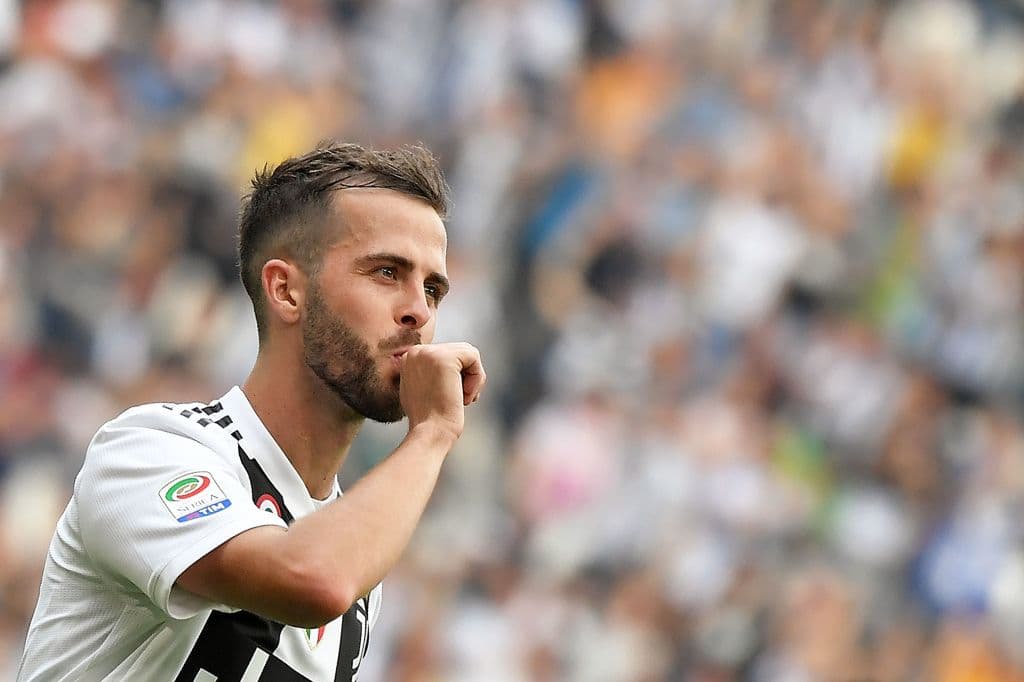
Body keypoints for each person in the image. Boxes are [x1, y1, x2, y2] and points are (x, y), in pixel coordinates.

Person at [16, 143, 486, 682]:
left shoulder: (355, 563)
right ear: (285, 290)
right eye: (385, 272)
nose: (419, 312)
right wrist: (432, 433)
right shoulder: (151, 450)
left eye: (433, 289)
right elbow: (311, 580)